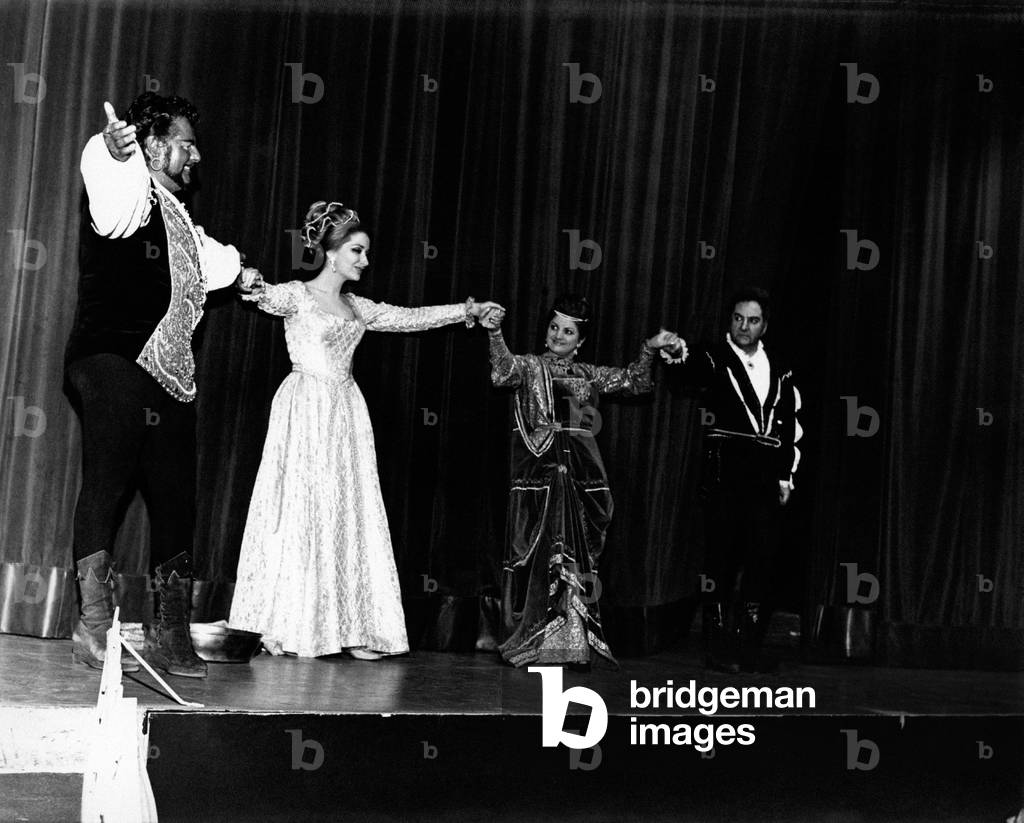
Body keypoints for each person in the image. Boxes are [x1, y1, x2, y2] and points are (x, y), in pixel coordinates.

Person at [229, 201, 504, 659]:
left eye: (366, 252)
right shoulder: (298, 296)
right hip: (305, 407)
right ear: (331, 252)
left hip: (346, 413)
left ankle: (351, 628)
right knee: (303, 508)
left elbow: (411, 317)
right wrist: (245, 279)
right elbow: (261, 293)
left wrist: (468, 310)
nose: (365, 260)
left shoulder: (358, 307)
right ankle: (298, 624)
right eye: (357, 251)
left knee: (347, 513)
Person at [65, 92, 256, 677]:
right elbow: (108, 185)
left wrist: (245, 275)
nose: (195, 156)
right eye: (186, 144)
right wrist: (112, 150)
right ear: (152, 144)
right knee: (109, 478)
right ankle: (93, 626)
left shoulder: (185, 227)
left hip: (168, 377)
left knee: (177, 499)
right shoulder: (128, 190)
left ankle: (170, 634)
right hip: (112, 356)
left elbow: (216, 264)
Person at [481, 296, 678, 667]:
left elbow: (635, 382)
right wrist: (494, 332)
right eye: (554, 327)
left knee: (576, 556)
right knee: (539, 556)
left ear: (580, 341)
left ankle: (572, 643)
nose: (558, 335)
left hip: (582, 478)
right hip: (541, 479)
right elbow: (502, 372)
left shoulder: (588, 374)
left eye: (568, 331)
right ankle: (536, 640)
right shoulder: (530, 366)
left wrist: (650, 348)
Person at [661, 287, 801, 673]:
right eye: (738, 318)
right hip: (726, 469)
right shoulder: (715, 355)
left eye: (752, 320)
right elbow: (690, 369)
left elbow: (790, 422)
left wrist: (785, 477)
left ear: (764, 325)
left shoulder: (780, 365)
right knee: (720, 558)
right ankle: (718, 648)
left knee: (762, 559)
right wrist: (675, 352)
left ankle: (749, 647)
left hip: (766, 474)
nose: (744, 326)